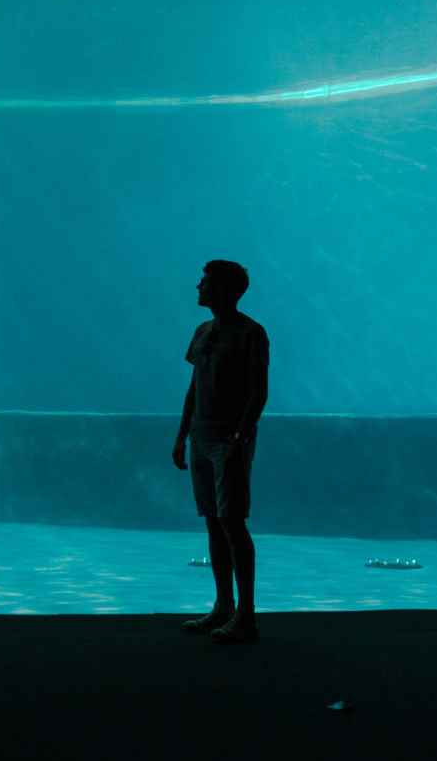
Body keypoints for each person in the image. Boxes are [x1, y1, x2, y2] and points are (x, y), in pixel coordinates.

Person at [173, 260, 269, 643]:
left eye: (206, 282)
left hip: (228, 440)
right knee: (213, 521)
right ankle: (223, 606)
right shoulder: (202, 331)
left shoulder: (251, 333)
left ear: (224, 290)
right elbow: (194, 387)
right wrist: (182, 435)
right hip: (200, 437)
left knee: (232, 522)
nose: (198, 286)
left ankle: (246, 614)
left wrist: (239, 440)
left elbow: (259, 393)